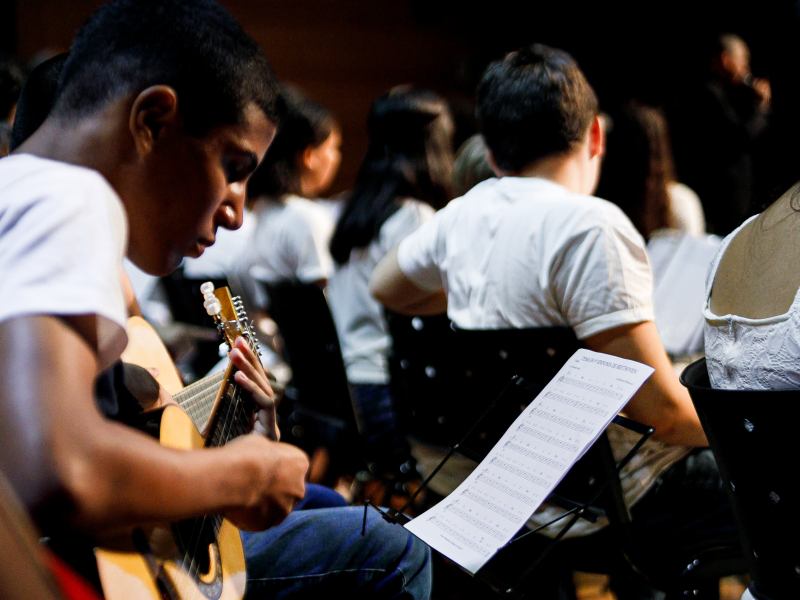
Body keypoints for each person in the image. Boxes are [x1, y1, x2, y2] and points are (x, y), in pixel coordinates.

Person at [0, 2, 431, 599]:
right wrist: (241, 475)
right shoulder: (65, 197)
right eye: (233, 167)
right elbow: (60, 470)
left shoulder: (21, 190)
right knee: (391, 548)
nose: (235, 212)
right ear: (153, 121)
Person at [370, 43, 734, 597]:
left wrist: (474, 307)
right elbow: (661, 415)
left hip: (487, 483)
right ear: (595, 136)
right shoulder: (592, 226)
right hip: (598, 502)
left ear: (492, 154)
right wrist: (754, 433)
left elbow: (385, 287)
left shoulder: (459, 215)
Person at [327, 86, 454, 467]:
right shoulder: (413, 217)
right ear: (434, 145)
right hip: (391, 392)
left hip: (350, 384)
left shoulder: (351, 208)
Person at [237, 84, 342, 305]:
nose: (336, 158)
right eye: (333, 148)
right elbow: (328, 305)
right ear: (309, 156)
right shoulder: (307, 218)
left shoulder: (262, 208)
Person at [669, 33, 771, 236]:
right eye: (743, 60)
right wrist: (760, 107)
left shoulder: (725, 92)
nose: (746, 68)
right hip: (720, 197)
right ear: (725, 59)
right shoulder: (707, 93)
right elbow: (740, 136)